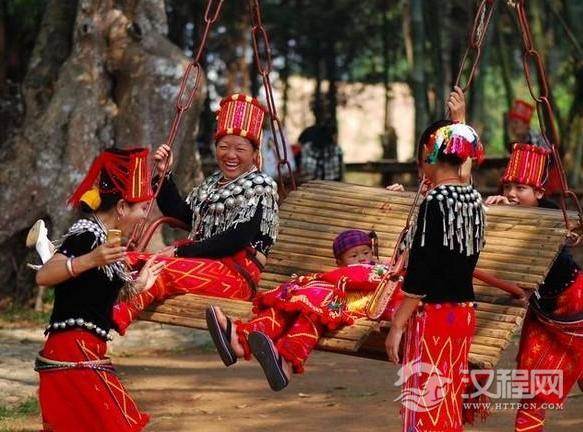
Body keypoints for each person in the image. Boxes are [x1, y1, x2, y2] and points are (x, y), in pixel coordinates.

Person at [112, 94, 280, 334]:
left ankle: (106, 323)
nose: (230, 155)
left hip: (235, 276)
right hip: (204, 263)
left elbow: (237, 238)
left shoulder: (261, 185)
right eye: (223, 147)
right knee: (127, 260)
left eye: (240, 149)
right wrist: (164, 175)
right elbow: (183, 216)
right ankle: (84, 302)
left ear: (254, 153)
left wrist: (180, 252)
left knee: (159, 269)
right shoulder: (213, 183)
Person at [34, 148, 166, 432]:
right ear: (122, 207)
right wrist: (90, 259)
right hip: (72, 352)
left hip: (84, 351)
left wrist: (139, 285)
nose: (145, 216)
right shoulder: (87, 236)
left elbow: (94, 294)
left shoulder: (105, 241)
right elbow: (44, 275)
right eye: (142, 208)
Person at [204, 229, 402, 391]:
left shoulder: (381, 270)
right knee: (285, 307)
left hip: (346, 305)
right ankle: (241, 341)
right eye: (354, 255)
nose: (362, 258)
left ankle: (286, 363)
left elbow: (373, 283)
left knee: (310, 315)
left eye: (366, 253)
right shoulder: (338, 273)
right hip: (322, 299)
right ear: (340, 262)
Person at [385, 121, 486, 432]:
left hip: (435, 317)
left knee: (426, 404)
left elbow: (422, 271)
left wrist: (398, 324)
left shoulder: (435, 201)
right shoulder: (474, 201)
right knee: (448, 399)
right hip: (464, 314)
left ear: (431, 154)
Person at [485, 143, 583, 432]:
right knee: (533, 386)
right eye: (507, 187)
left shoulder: (554, 219)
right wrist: (491, 213)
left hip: (573, 304)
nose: (511, 194)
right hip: (541, 311)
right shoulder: (503, 213)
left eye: (521, 188)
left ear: (539, 193)